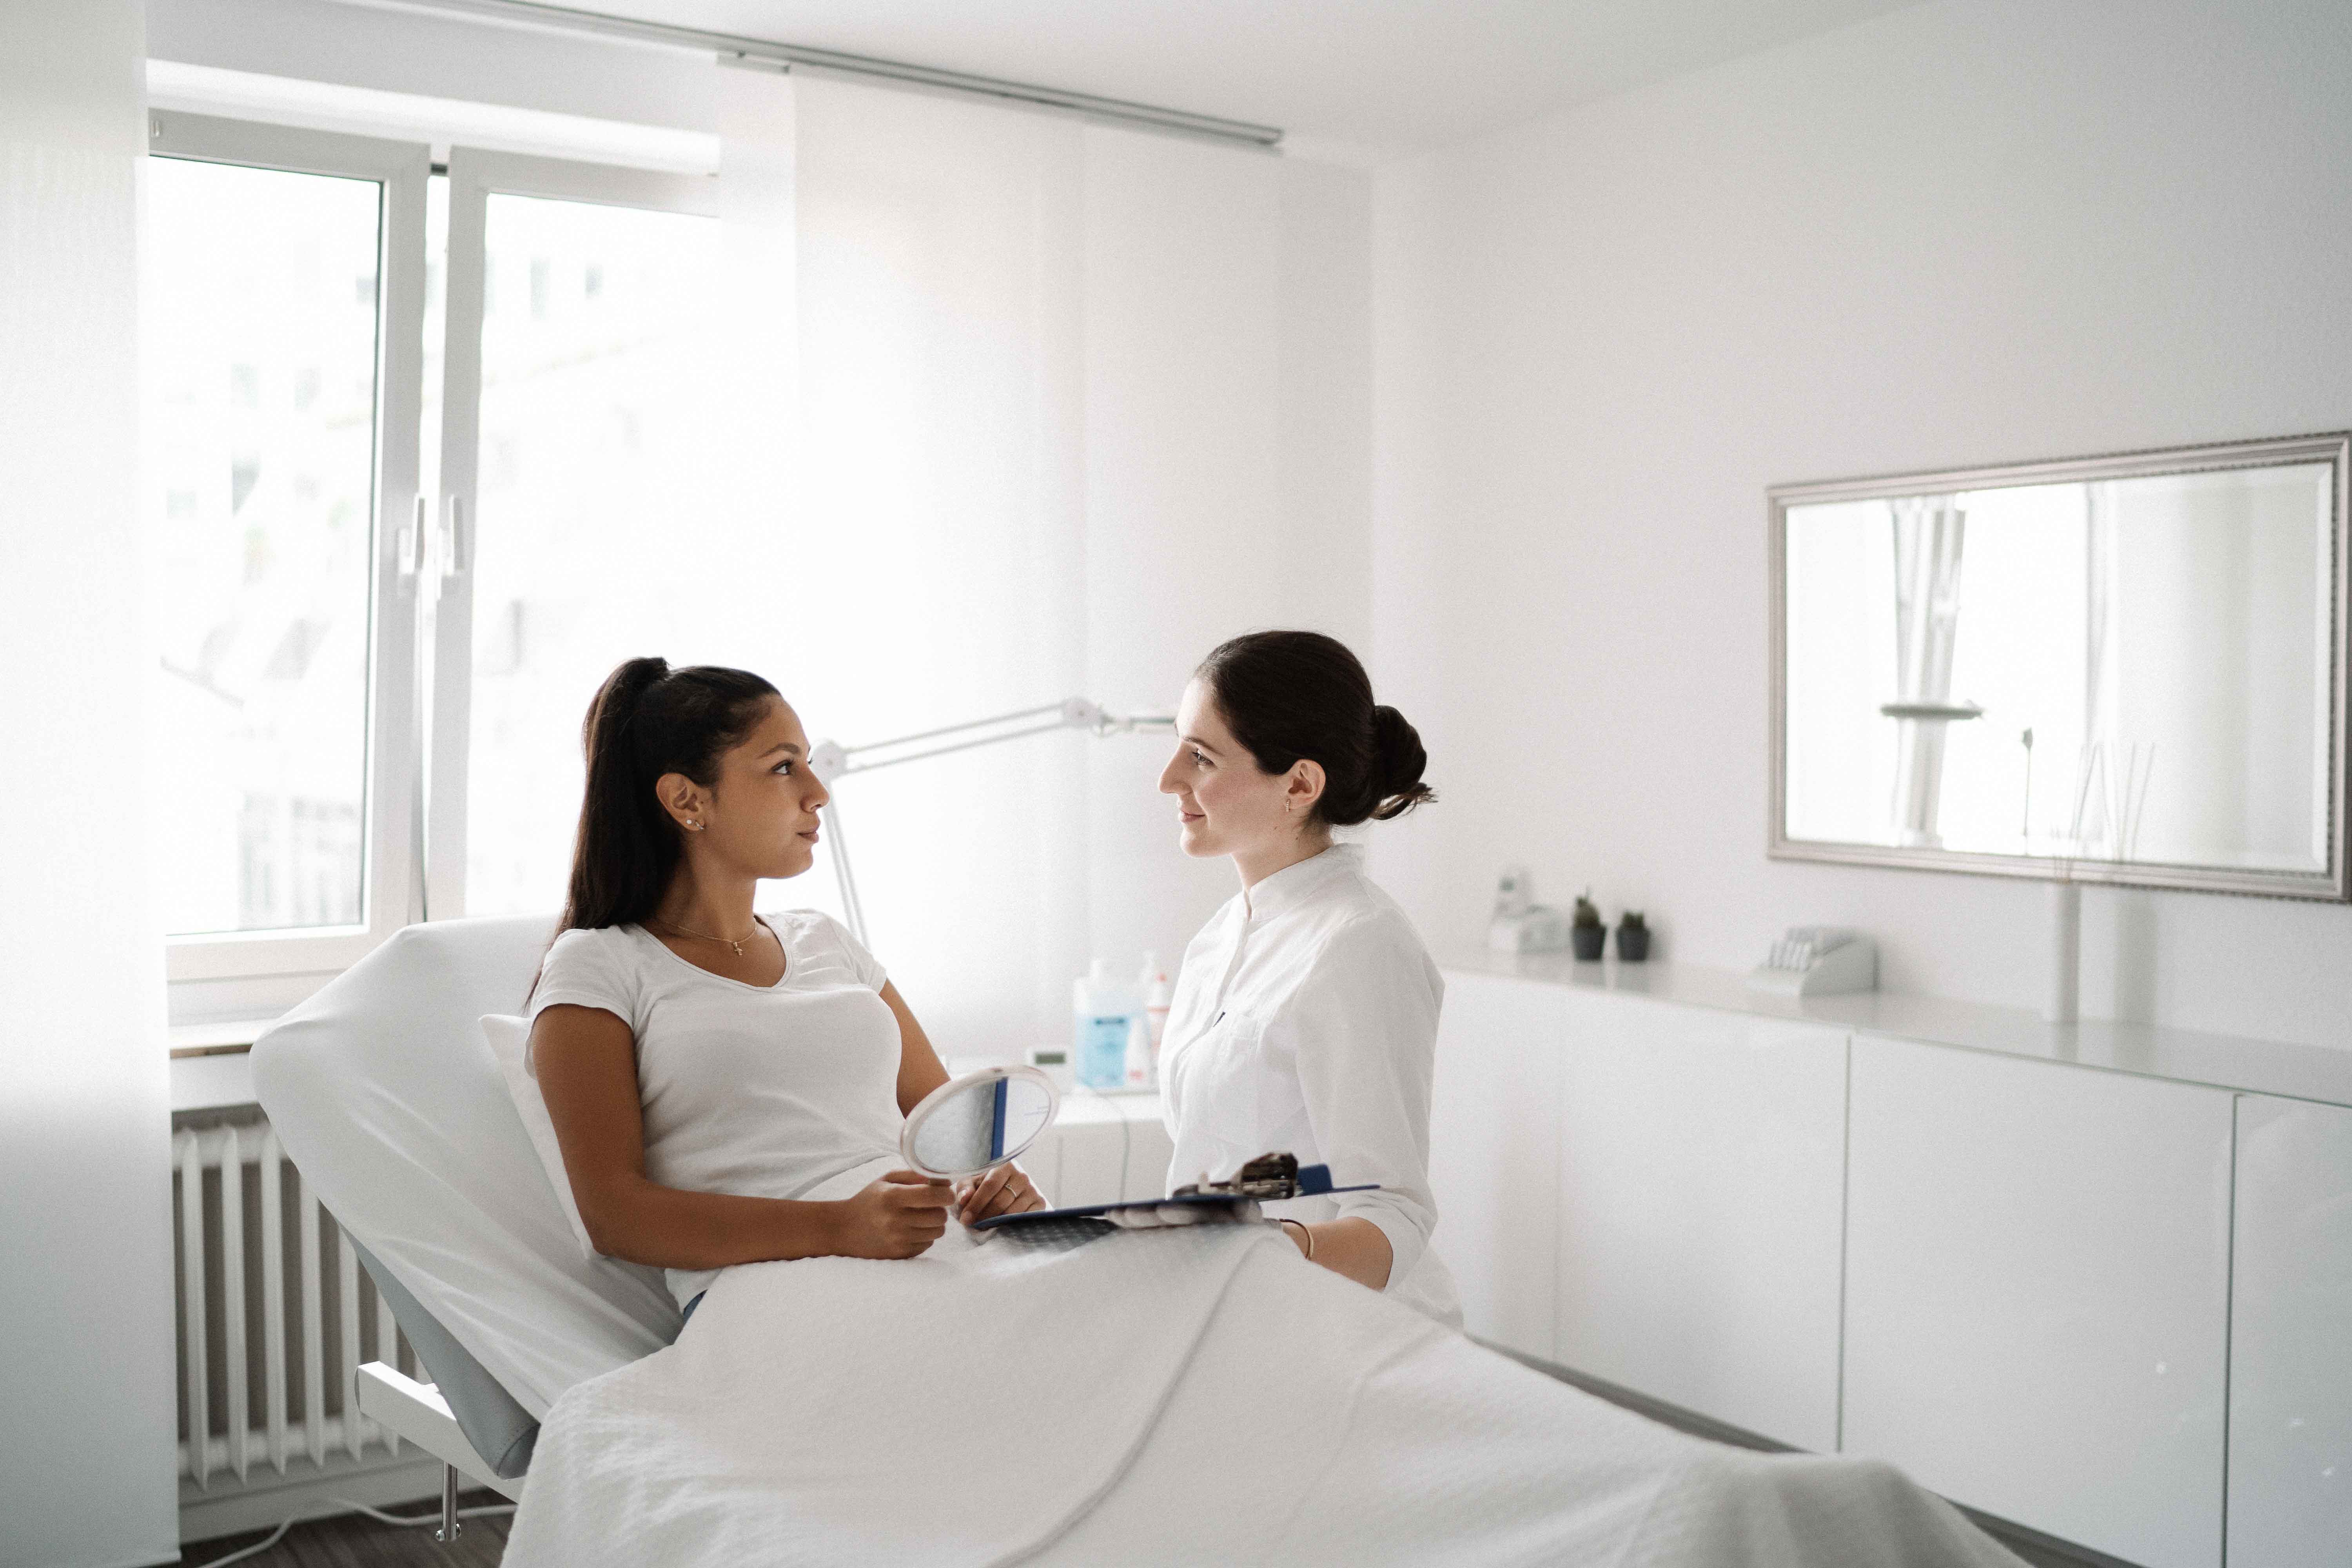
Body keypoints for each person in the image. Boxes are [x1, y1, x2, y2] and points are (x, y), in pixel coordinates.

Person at [526, 657, 1045, 1321]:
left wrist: (991, 1184)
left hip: (932, 1260)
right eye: (782, 767)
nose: (818, 791)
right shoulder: (599, 965)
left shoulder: (825, 940)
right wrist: (838, 1226)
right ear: (687, 800)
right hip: (772, 1290)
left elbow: (953, 1133)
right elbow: (615, 1215)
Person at [1155, 630, 1461, 1325]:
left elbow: (1394, 1213)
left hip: (1348, 1334)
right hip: (1234, 1315)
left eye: (1200, 756)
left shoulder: (1360, 945)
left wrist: (1262, 1252)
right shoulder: (1218, 941)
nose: (1169, 778)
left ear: (1299, 784)